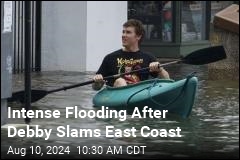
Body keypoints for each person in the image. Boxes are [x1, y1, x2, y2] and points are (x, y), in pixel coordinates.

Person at [92, 19, 169, 90]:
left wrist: (160, 69)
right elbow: (96, 88)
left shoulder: (148, 57)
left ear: (138, 36)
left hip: (139, 94)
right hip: (117, 94)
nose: (123, 35)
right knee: (120, 81)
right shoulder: (110, 58)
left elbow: (167, 81)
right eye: (123, 32)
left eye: (128, 32)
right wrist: (98, 82)